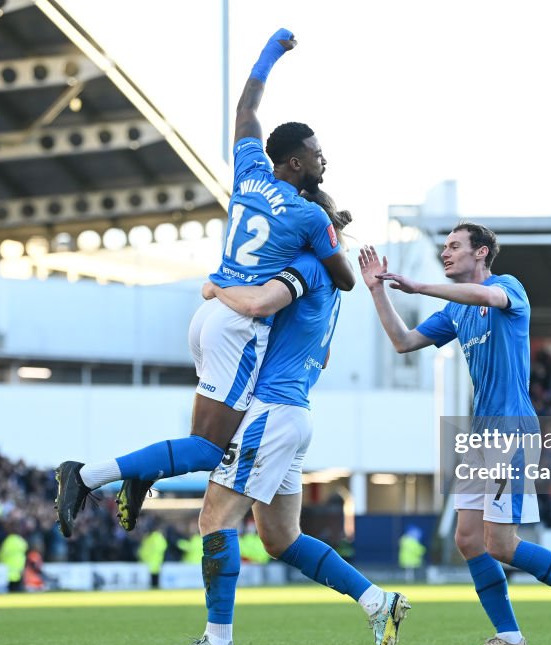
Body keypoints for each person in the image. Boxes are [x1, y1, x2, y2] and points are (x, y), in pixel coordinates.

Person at [53, 27, 355, 539]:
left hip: (210, 314)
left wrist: (270, 54)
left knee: (219, 437)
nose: (325, 160)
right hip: (239, 326)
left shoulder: (249, 172)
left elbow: (246, 110)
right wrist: (328, 239)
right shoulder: (308, 217)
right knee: (211, 448)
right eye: (318, 153)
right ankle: (87, 476)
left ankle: (139, 473)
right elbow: (343, 279)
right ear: (297, 162)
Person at [149, 190, 408, 645]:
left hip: (271, 413)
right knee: (280, 538)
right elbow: (323, 356)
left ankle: (218, 643)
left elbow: (259, 305)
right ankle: (379, 603)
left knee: (215, 519)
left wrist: (215, 288)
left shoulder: (308, 265)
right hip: (295, 412)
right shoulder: (330, 283)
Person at [359, 224, 551, 645]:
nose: (445, 253)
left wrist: (420, 286)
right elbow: (404, 342)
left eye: (454, 247)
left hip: (511, 430)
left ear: (481, 253)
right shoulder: (456, 312)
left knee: (501, 543)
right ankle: (511, 638)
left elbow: (488, 298)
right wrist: (377, 291)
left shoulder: (507, 287)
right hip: (479, 435)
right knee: (467, 538)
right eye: (444, 247)